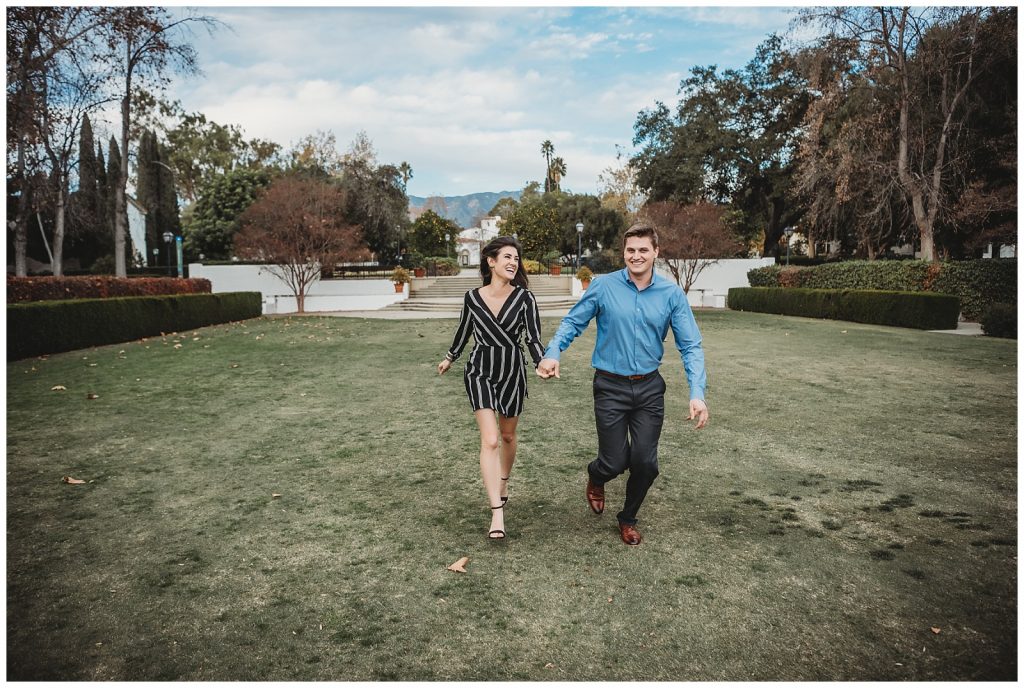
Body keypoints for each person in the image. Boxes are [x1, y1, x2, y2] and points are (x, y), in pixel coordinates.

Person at [536, 223, 709, 546]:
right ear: (623, 253)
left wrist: (696, 393)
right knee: (614, 461)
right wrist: (553, 353)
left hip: (648, 388)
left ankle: (627, 518)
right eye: (631, 250)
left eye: (644, 249)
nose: (636, 256)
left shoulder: (671, 294)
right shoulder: (603, 286)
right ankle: (596, 475)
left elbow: (691, 346)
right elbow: (574, 321)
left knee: (646, 463)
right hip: (610, 387)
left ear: (656, 252)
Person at [438, 236, 545, 540]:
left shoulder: (525, 298)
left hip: (513, 371)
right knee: (491, 440)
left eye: (516, 258)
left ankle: (504, 480)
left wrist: (541, 362)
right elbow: (463, 331)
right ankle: (497, 514)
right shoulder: (472, 297)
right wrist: (450, 357)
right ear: (491, 261)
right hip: (479, 370)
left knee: (508, 435)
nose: (513, 263)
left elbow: (533, 338)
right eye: (507, 257)